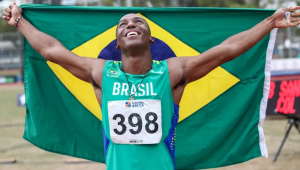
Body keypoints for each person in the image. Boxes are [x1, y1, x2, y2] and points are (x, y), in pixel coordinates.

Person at [3, 2, 300, 170]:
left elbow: (226, 50)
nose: (131, 24)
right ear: (117, 42)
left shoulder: (171, 72)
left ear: (151, 39)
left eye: (139, 22)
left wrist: (270, 22)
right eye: (124, 24)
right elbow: (52, 51)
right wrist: (19, 22)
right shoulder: (101, 72)